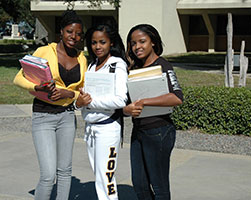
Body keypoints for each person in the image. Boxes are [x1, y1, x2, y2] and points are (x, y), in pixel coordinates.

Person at [13, 10, 87, 200]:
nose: (74, 37)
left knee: (64, 171)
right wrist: (37, 86)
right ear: (61, 31)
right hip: (43, 116)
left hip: (67, 117)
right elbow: (19, 78)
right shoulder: (44, 51)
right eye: (70, 31)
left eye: (78, 33)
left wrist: (69, 93)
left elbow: (83, 91)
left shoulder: (82, 58)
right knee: (48, 174)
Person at [123, 24, 184, 200]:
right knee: (140, 184)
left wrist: (145, 102)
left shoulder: (163, 65)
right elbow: (127, 102)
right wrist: (127, 109)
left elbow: (177, 97)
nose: (137, 47)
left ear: (153, 43)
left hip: (160, 132)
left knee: (159, 186)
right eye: (133, 43)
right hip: (139, 131)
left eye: (142, 41)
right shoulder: (134, 69)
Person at [75, 23, 129, 200]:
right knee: (99, 176)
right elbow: (88, 97)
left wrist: (91, 103)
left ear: (111, 43)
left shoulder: (117, 64)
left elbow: (121, 99)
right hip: (91, 128)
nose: (97, 47)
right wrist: (81, 100)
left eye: (102, 42)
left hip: (108, 128)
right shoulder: (92, 66)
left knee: (106, 177)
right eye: (93, 42)